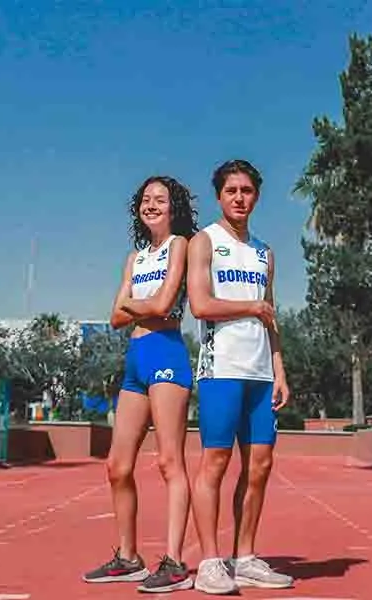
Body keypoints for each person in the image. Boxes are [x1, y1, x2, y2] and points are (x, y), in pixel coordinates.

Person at [82, 175, 199, 593]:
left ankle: (174, 562)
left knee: (170, 463)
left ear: (174, 208)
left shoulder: (181, 246)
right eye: (146, 199)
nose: (151, 205)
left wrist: (133, 305)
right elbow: (115, 317)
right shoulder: (135, 258)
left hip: (167, 357)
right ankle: (129, 557)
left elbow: (166, 304)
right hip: (135, 361)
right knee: (117, 467)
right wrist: (141, 308)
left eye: (160, 200)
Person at [187, 159, 294, 594]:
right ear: (219, 196)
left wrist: (280, 370)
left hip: (260, 374)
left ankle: (245, 556)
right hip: (221, 370)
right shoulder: (204, 242)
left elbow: (271, 317)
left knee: (260, 466)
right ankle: (210, 562)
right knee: (215, 462)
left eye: (247, 190)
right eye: (231, 190)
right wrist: (250, 307)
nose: (239, 197)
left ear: (256, 196)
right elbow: (200, 305)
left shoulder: (265, 253)